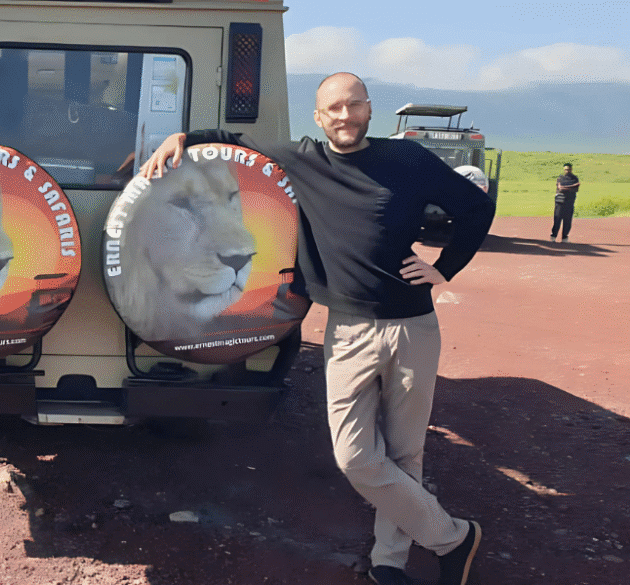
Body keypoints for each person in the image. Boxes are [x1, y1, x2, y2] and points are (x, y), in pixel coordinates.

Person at [141, 73, 495, 585]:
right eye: (333, 108)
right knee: (355, 456)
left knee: (404, 452)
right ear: (318, 116)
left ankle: (388, 563)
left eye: (353, 106)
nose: (344, 116)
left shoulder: (408, 161)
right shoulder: (305, 158)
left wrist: (448, 266)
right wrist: (184, 139)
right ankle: (454, 538)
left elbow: (476, 206)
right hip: (348, 330)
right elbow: (235, 141)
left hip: (412, 326)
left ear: (369, 109)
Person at [552, 163, 581, 242]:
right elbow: (560, 188)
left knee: (567, 221)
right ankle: (554, 236)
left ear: (571, 169)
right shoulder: (560, 178)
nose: (567, 171)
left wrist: (566, 187)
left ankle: (564, 237)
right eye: (566, 169)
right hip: (560, 202)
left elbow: (576, 188)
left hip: (570, 202)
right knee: (557, 219)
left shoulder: (574, 178)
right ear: (564, 170)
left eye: (569, 169)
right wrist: (572, 186)